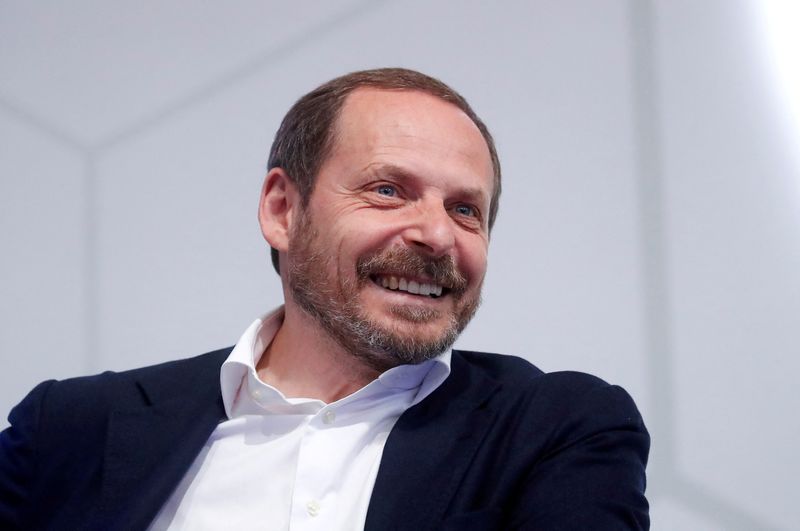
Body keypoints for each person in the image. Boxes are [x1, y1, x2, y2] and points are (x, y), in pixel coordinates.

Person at [0, 68, 649, 530]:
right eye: (389, 190)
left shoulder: (558, 431)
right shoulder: (69, 428)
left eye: (464, 209)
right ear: (283, 209)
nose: (435, 234)